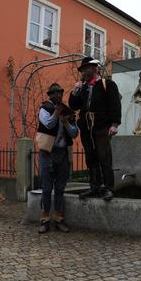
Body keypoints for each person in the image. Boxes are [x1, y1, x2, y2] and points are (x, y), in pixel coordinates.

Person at [69, 57, 122, 201]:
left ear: (94, 68)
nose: (84, 72)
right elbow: (74, 106)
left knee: (104, 157)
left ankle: (108, 188)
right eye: (83, 70)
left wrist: (115, 124)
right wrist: (75, 91)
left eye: (86, 69)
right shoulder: (83, 88)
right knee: (90, 158)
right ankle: (94, 187)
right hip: (86, 128)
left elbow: (115, 104)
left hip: (102, 126)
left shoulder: (107, 84)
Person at [36, 83, 79, 234]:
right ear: (50, 95)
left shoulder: (67, 111)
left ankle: (59, 219)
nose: (58, 95)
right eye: (55, 93)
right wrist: (56, 113)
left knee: (60, 188)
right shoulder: (44, 109)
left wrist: (66, 121)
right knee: (47, 189)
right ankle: (45, 220)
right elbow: (47, 124)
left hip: (62, 153)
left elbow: (74, 133)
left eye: (60, 93)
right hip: (47, 152)